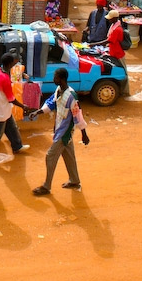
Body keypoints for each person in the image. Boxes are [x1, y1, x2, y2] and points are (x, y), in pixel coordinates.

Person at [31, 67, 90, 196]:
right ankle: (74, 180)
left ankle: (46, 186)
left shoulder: (71, 96)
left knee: (50, 156)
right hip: (59, 128)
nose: (53, 79)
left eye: (55, 77)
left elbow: (78, 115)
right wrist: (37, 112)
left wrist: (84, 134)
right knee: (69, 155)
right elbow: (51, 103)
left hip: (64, 133)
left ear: (62, 79)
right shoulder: (59, 90)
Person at [0, 53, 31, 163]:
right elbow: (11, 99)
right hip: (1, 111)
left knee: (12, 127)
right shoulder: (5, 78)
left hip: (1, 108)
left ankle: (17, 146)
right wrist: (23, 106)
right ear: (9, 64)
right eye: (13, 62)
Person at [102, 9, 130, 96]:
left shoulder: (117, 29)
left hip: (118, 54)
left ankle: (125, 91)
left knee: (124, 72)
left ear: (115, 18)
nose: (109, 20)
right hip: (113, 52)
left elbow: (108, 40)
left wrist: (92, 44)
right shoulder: (114, 26)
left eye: (110, 18)